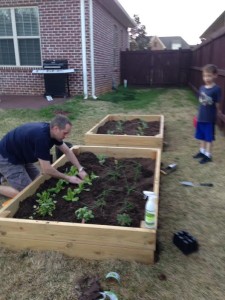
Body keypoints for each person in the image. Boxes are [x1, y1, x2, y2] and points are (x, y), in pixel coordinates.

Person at [0, 115, 87, 198]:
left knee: (39, 182)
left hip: (21, 155)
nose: (66, 136)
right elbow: (47, 169)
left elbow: (67, 151)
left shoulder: (52, 132)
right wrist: (68, 178)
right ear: (56, 128)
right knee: (26, 194)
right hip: (6, 158)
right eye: (65, 133)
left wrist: (80, 169)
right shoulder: (41, 138)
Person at [193, 64, 221, 164]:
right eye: (205, 76)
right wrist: (198, 115)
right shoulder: (202, 88)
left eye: (209, 75)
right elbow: (201, 103)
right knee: (201, 136)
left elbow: (217, 105)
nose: (207, 78)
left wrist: (215, 116)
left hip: (209, 118)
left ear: (215, 75)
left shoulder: (216, 89)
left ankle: (208, 155)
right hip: (201, 117)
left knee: (208, 137)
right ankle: (202, 151)